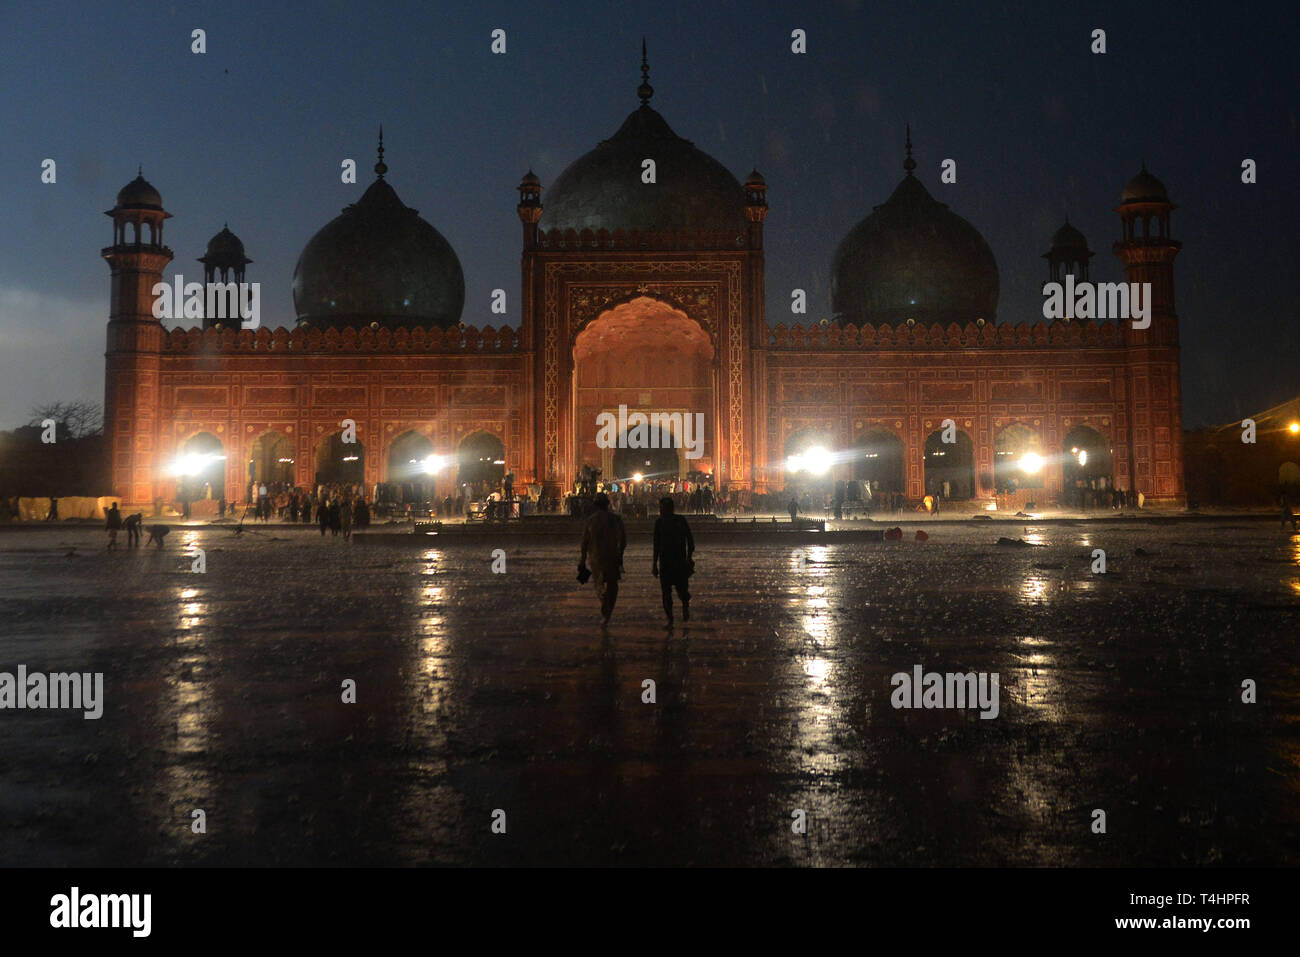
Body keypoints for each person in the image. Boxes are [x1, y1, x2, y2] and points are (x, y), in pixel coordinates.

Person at [579, 492, 626, 625]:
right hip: (612, 556)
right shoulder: (616, 519)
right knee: (612, 585)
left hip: (596, 558)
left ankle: (605, 604)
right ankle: (608, 608)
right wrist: (620, 555)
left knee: (599, 585)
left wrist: (582, 560)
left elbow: (584, 542)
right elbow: (623, 540)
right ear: (608, 504)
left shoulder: (591, 520)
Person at [652, 497, 694, 625]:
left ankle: (676, 614)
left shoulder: (662, 522)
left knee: (673, 591)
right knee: (672, 591)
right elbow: (690, 541)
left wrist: (654, 564)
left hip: (672, 562)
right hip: (675, 561)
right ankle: (672, 617)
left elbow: (656, 545)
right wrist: (689, 557)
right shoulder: (678, 521)